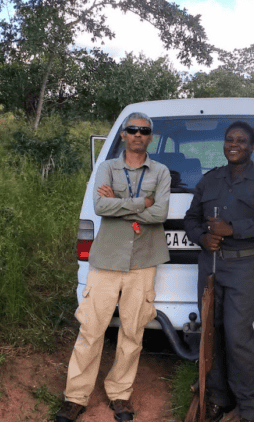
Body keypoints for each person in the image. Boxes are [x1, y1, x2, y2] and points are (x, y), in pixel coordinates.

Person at [55, 112, 171, 422]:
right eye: (132, 129)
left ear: (150, 137)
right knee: (91, 330)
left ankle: (120, 395)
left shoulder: (161, 172)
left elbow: (159, 214)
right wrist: (139, 203)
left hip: (143, 262)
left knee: (132, 333)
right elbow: (99, 206)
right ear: (122, 135)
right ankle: (75, 397)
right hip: (106, 260)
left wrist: (120, 202)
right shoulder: (106, 167)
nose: (137, 134)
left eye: (143, 131)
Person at [184, 121, 254, 422]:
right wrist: (202, 237)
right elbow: (191, 219)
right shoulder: (209, 180)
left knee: (238, 336)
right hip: (210, 265)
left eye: (241, 140)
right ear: (223, 144)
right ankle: (218, 398)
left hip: (244, 266)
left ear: (252, 147)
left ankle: (251, 406)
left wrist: (233, 229)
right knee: (211, 333)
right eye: (229, 139)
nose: (234, 144)